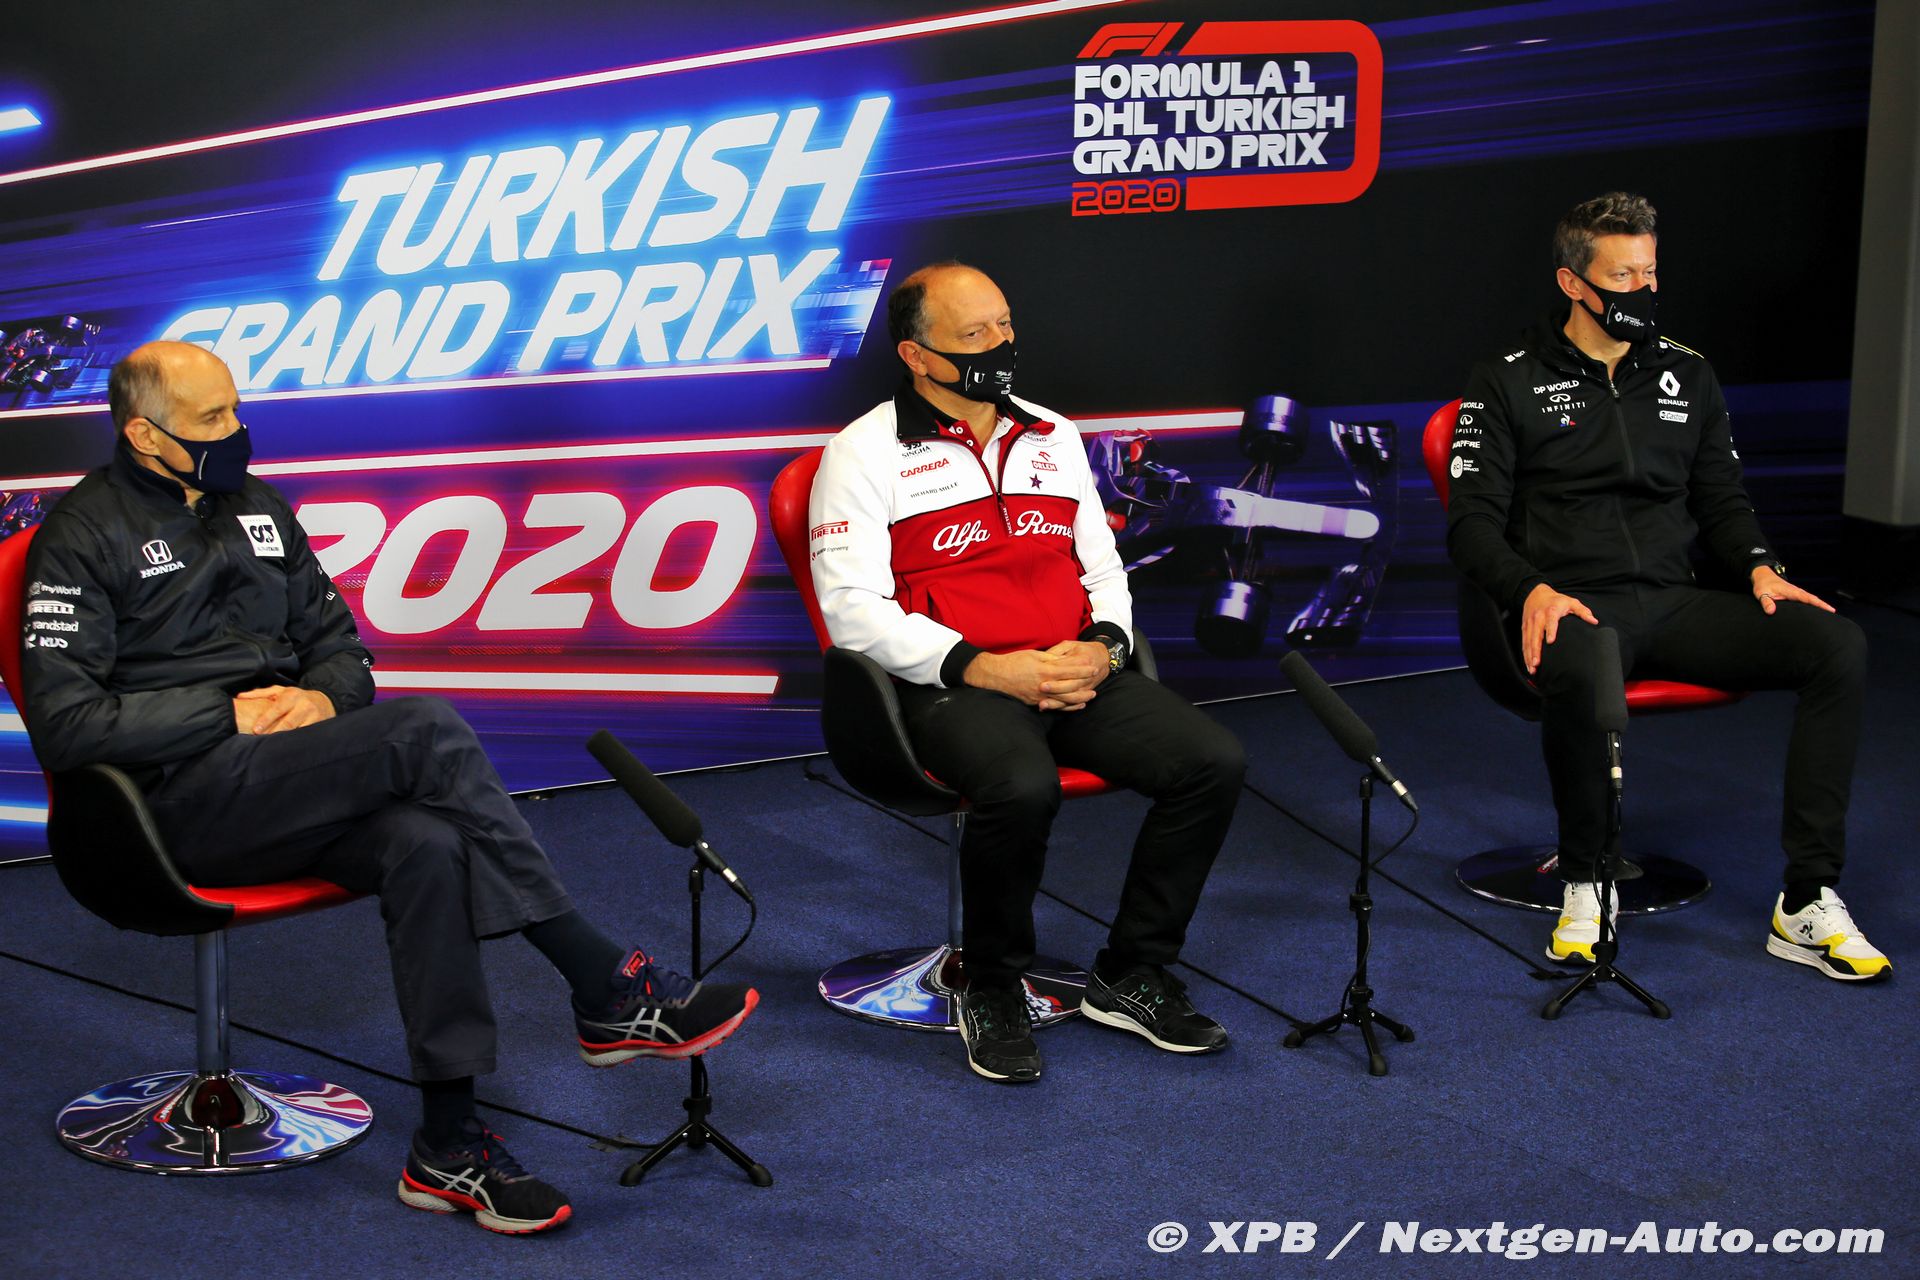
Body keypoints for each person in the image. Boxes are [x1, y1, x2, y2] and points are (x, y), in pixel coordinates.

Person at [19, 340, 758, 1233]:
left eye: (236, 408)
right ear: (143, 434)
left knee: (428, 842)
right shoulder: (80, 535)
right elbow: (66, 726)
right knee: (426, 730)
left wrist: (319, 697)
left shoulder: (257, 506)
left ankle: (448, 1144)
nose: (237, 430)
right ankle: (602, 983)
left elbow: (342, 650)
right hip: (164, 810)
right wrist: (225, 714)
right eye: (212, 418)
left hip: (283, 784)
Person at [809, 262, 1247, 1083]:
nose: (1000, 345)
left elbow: (1104, 570)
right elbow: (851, 610)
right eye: (974, 334)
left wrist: (1105, 647)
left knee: (1211, 761)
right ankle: (991, 984)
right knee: (1021, 785)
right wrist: (984, 668)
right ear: (916, 355)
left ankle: (1132, 973)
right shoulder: (861, 452)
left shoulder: (1053, 434)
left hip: (1070, 670)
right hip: (949, 686)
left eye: (1004, 325)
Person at [1446, 193, 1888, 981]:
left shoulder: (1688, 371)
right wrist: (1530, 589)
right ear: (1573, 283)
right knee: (1586, 655)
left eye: (1649, 273)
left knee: (1837, 646)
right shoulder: (1505, 379)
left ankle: (1807, 900)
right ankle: (1586, 880)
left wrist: (1760, 566)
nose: (1642, 290)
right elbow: (1471, 524)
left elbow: (1722, 500)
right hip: (1572, 604)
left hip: (1672, 600)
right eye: (1622, 276)